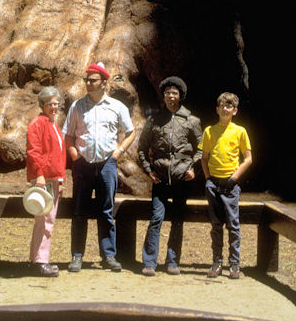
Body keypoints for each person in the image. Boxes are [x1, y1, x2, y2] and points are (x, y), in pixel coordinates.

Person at [63, 62, 135, 272]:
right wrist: (74, 155)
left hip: (107, 165)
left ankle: (108, 255)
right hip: (83, 165)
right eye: (86, 80)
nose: (88, 83)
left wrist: (118, 153)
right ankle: (77, 255)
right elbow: (68, 135)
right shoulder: (77, 106)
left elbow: (130, 132)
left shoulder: (117, 107)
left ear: (104, 83)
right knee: (79, 211)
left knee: (105, 210)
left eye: (92, 80)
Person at [138, 76, 202, 276]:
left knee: (177, 219)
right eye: (167, 93)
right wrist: (149, 171)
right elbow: (141, 149)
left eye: (174, 93)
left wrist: (193, 169)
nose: (170, 96)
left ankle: (173, 261)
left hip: (182, 178)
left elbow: (201, 149)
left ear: (180, 96)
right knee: (156, 217)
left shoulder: (191, 121)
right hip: (160, 177)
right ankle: (149, 262)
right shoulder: (154, 120)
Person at [200, 91, 252, 280]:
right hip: (213, 183)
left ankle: (235, 263)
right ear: (217, 109)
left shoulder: (240, 131)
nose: (225, 108)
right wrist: (208, 179)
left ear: (235, 110)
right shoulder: (209, 131)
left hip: (231, 185)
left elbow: (248, 158)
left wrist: (234, 177)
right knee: (216, 225)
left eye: (229, 106)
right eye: (221, 105)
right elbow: (204, 159)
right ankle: (217, 261)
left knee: (233, 224)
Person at [25, 85, 66, 276]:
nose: (54, 107)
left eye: (56, 103)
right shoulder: (38, 123)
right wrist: (39, 175)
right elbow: (34, 151)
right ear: (42, 105)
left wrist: (61, 179)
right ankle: (40, 262)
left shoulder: (53, 124)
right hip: (44, 179)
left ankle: (37, 259)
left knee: (46, 220)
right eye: (50, 104)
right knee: (45, 220)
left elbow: (58, 154)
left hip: (53, 179)